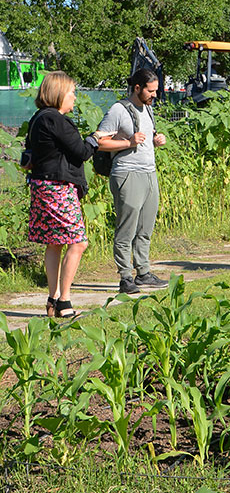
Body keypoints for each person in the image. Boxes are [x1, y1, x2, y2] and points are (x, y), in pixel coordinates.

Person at [26, 71, 99, 317]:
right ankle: (65, 301)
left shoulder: (38, 118)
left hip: (41, 185)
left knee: (54, 243)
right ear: (59, 94)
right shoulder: (57, 120)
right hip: (58, 187)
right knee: (78, 242)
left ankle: (52, 299)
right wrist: (95, 138)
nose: (75, 98)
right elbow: (82, 152)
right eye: (71, 93)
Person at [96, 68, 169, 294]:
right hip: (127, 173)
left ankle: (143, 272)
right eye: (150, 90)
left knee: (145, 227)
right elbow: (99, 142)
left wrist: (156, 141)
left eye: (155, 90)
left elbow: (144, 138)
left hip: (149, 173)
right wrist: (129, 143)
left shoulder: (147, 108)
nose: (154, 95)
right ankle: (125, 276)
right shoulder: (118, 110)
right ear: (137, 88)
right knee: (126, 228)